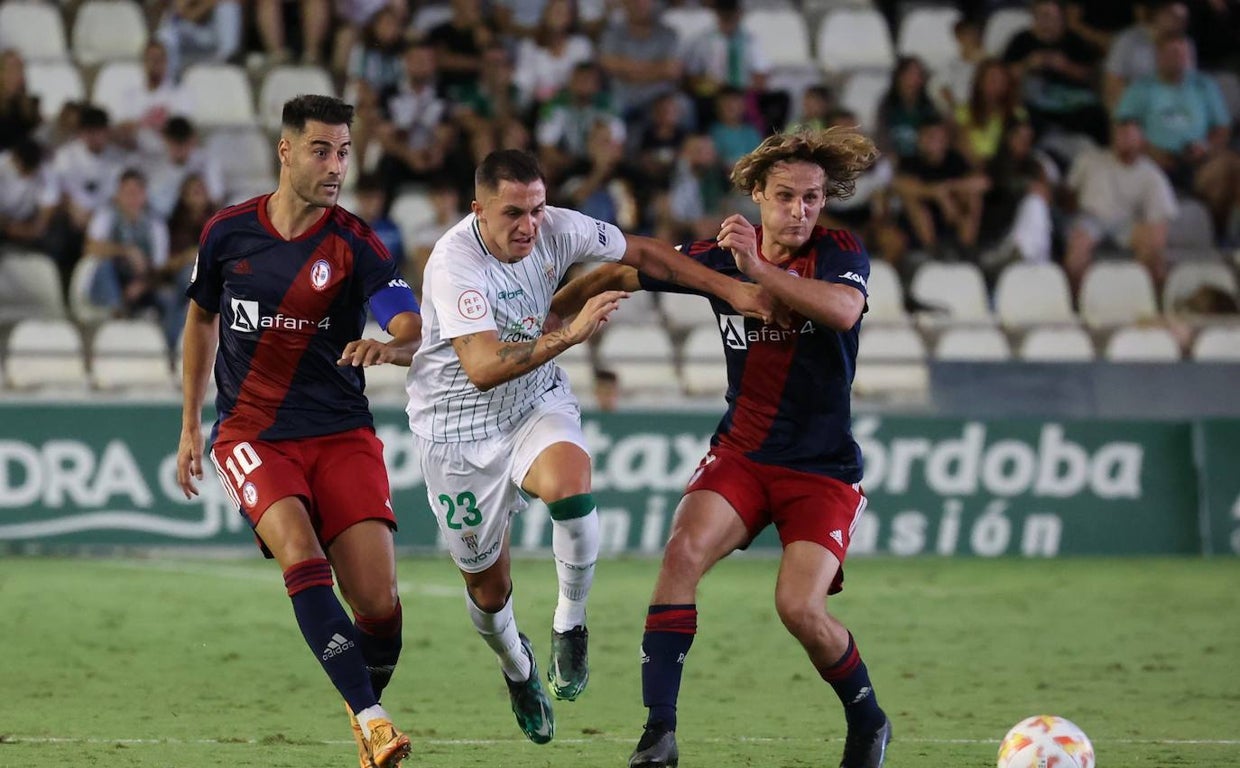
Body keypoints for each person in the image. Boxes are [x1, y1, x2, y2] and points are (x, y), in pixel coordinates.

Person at [403, 148, 771, 745]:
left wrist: (729, 290)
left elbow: (646, 254)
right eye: (513, 213)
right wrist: (570, 334)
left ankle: (570, 623)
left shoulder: (556, 227)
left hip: (532, 403)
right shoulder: (453, 263)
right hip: (457, 436)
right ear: (479, 211)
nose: (529, 225)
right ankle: (518, 670)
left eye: (538, 209)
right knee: (487, 591)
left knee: (572, 488)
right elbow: (482, 366)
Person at [550, 127, 892, 768]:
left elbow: (844, 311)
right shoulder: (718, 256)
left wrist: (755, 271)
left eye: (813, 198)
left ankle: (868, 719)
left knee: (798, 607)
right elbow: (633, 265)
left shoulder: (839, 250)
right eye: (786, 196)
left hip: (822, 471)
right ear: (757, 193)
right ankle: (659, 734)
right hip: (742, 453)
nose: (800, 211)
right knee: (680, 554)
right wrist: (553, 309)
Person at [174, 95, 421, 768]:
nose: (336, 165)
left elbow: (409, 322)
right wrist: (192, 425)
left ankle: (359, 702)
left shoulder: (355, 241)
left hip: (341, 433)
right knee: (301, 555)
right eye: (321, 150)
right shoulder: (227, 233)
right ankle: (372, 721)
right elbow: (201, 321)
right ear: (285, 151)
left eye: (344, 151)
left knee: (379, 606)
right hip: (253, 434)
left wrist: (394, 346)